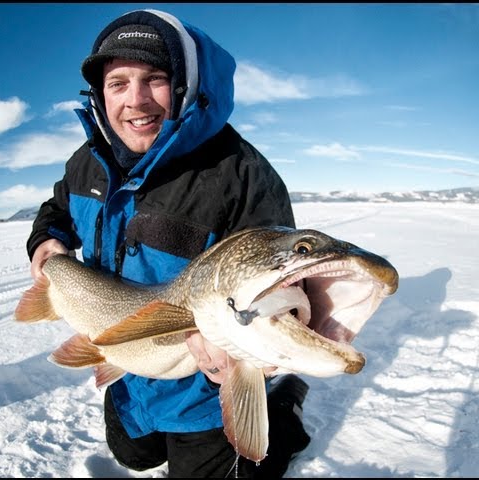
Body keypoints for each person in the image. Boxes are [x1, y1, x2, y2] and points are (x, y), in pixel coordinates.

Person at [26, 8, 311, 478]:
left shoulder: (240, 174)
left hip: (200, 387)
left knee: (238, 465)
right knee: (135, 456)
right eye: (118, 84)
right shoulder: (87, 160)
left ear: (183, 86)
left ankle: (284, 418)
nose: (135, 101)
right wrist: (45, 242)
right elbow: (56, 210)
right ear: (100, 94)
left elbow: (275, 286)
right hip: (126, 365)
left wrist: (241, 351)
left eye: (154, 78)